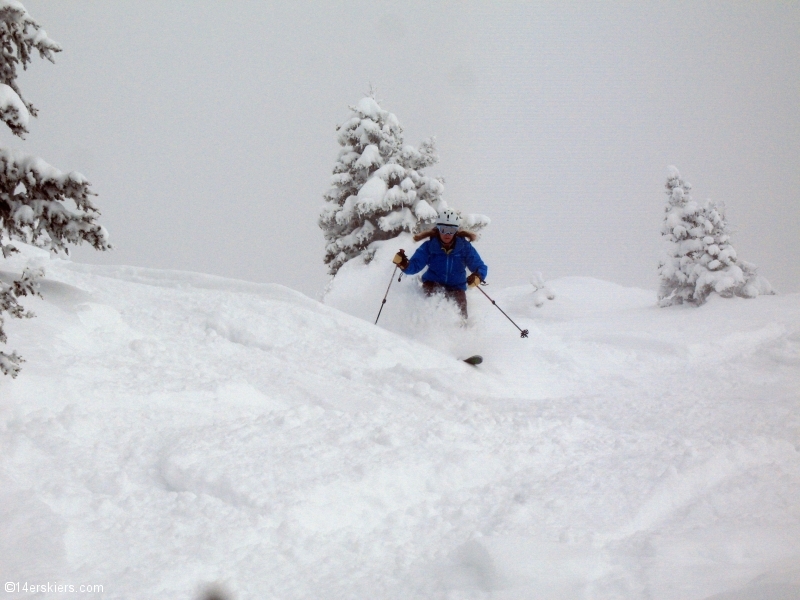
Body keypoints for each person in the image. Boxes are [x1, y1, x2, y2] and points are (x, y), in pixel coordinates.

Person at [392, 209, 488, 319]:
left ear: (456, 231)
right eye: (443, 229)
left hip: (457, 287)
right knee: (430, 297)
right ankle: (425, 326)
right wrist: (403, 264)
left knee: (461, 308)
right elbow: (414, 266)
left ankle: (463, 329)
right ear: (438, 229)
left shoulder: (464, 247)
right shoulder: (429, 247)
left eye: (451, 230)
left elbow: (480, 266)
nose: (447, 234)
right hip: (432, 284)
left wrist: (478, 276)